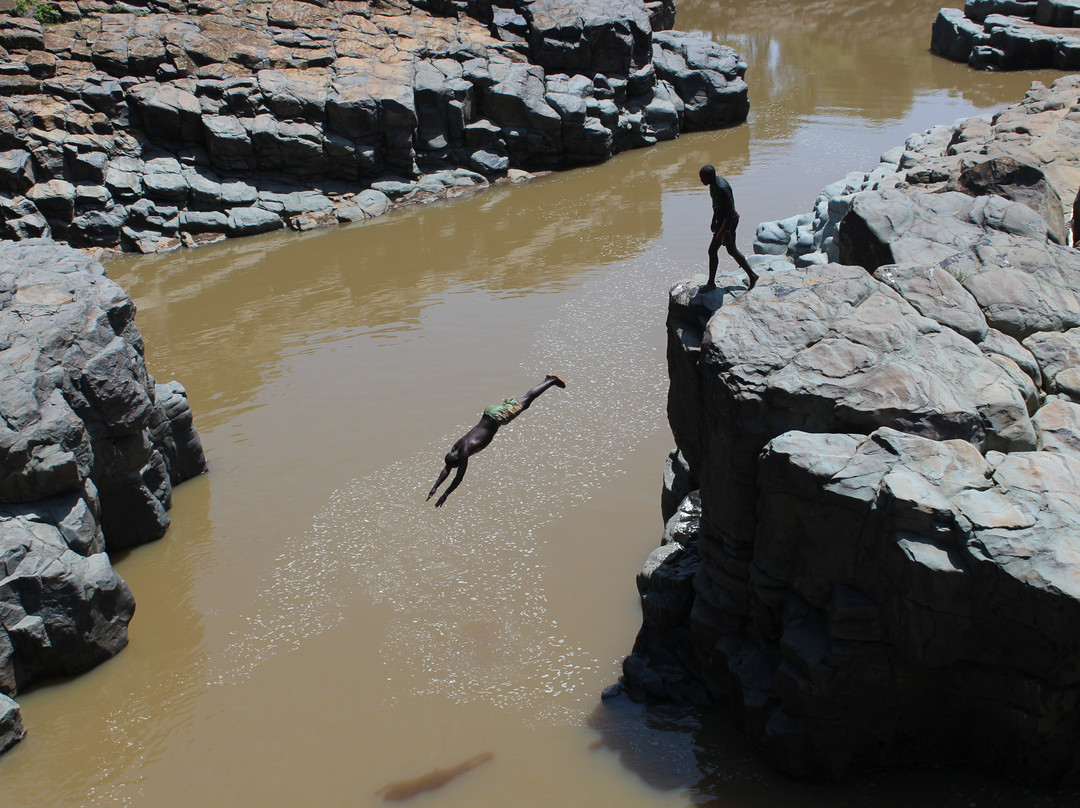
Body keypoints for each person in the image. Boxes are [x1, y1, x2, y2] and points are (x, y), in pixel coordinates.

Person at [427, 373, 566, 507]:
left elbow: (458, 478)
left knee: (526, 401)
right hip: (489, 412)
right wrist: (435, 487)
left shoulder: (464, 453)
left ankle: (551, 380)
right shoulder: (456, 447)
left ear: (459, 461)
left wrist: (445, 494)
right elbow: (447, 467)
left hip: (498, 417)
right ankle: (547, 380)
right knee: (523, 400)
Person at [699, 164, 758, 291]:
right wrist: (713, 220)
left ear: (711, 176)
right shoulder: (713, 185)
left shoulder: (722, 188)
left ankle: (711, 283)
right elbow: (717, 204)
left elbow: (730, 211)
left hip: (727, 221)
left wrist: (727, 231)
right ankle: (752, 275)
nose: (701, 180)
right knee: (732, 250)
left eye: (703, 177)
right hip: (722, 220)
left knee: (712, 250)